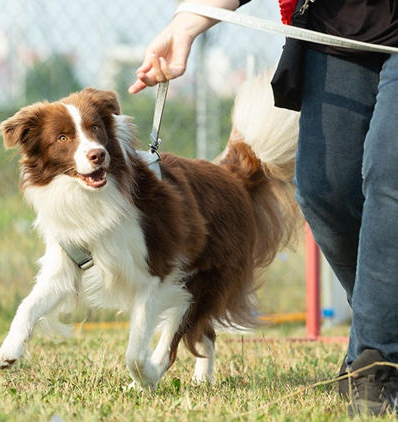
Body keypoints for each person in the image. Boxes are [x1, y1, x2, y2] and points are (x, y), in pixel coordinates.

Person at [129, 0, 398, 416]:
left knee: (389, 174)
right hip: (339, 33)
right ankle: (382, 330)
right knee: (321, 190)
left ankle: (377, 361)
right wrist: (186, 23)